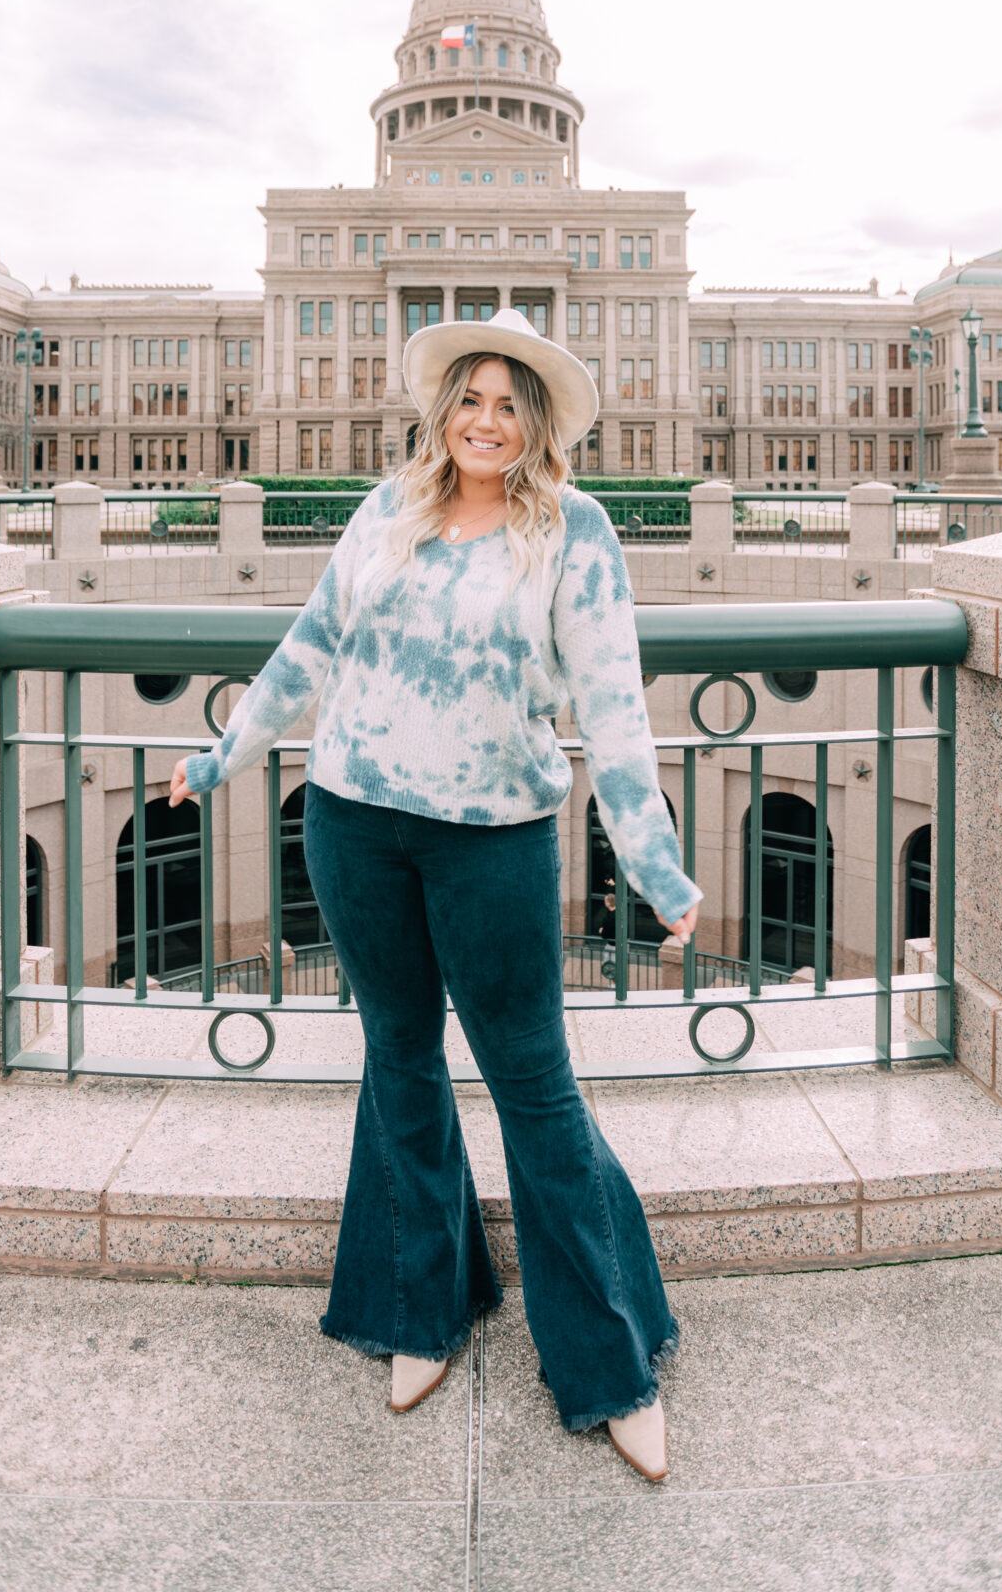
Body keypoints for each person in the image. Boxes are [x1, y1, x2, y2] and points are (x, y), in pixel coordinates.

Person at [170, 308, 700, 1481]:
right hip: (352, 820)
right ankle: (421, 1311)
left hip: (494, 842)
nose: (488, 422)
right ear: (442, 409)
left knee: (536, 1094)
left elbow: (615, 713)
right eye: (472, 398)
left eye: (513, 404)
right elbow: (309, 646)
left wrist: (653, 865)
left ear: (540, 423)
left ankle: (610, 1364)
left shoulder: (577, 532)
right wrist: (226, 755)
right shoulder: (388, 510)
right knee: (400, 1064)